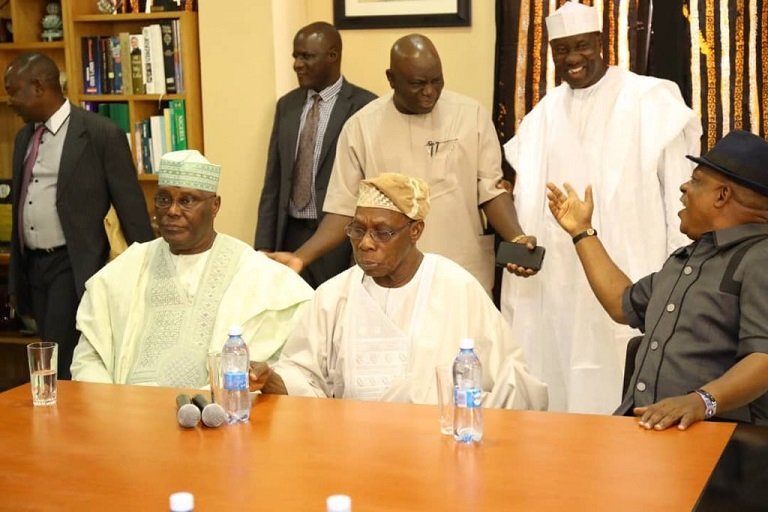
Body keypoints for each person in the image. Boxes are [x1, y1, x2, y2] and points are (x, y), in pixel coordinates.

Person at [500, 1, 703, 414]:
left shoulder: (650, 100)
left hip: (631, 271)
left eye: (581, 46)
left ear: (602, 43)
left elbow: (678, 202)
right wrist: (522, 248)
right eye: (561, 50)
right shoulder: (542, 117)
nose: (572, 59)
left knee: (620, 380)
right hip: (555, 284)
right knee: (556, 383)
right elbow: (526, 206)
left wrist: (675, 279)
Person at [250, 173, 547, 409]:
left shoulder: (457, 288)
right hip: (352, 449)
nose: (366, 242)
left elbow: (512, 383)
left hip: (438, 451)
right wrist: (271, 379)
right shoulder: (333, 296)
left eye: (382, 232)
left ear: (415, 231)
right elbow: (303, 375)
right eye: (358, 230)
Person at [270, 34, 530, 295]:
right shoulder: (361, 127)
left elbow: (491, 191)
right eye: (417, 83)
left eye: (436, 81)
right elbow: (344, 208)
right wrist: (301, 257)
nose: (429, 92)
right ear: (391, 79)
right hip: (388, 276)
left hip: (461, 270)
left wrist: (517, 238)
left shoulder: (471, 115)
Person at [546, 130, 768, 429]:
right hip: (646, 433)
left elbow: (764, 358)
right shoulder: (687, 259)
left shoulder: (759, 257)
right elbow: (621, 304)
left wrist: (701, 402)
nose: (684, 187)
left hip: (717, 446)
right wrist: (581, 231)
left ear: (721, 195)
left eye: (696, 180)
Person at [70, 150, 314, 387]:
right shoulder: (128, 267)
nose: (172, 211)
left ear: (215, 206)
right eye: (163, 199)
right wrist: (111, 405)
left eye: (186, 201)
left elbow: (289, 363)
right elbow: (89, 356)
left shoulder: (256, 272)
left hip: (215, 413)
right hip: (128, 412)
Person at [5, 52, 153, 380]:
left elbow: (131, 206)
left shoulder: (99, 133)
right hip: (33, 267)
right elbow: (20, 205)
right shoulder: (24, 138)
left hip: (73, 266)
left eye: (14, 91)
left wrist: (154, 270)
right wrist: (16, 277)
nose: (10, 100)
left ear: (39, 87)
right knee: (48, 353)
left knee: (59, 361)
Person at [255, 22, 376, 289]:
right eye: (295, 56)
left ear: (333, 55)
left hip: (339, 240)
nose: (297, 64)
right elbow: (273, 183)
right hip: (289, 234)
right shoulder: (287, 105)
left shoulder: (365, 107)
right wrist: (262, 247)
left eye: (306, 56)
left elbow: (371, 187)